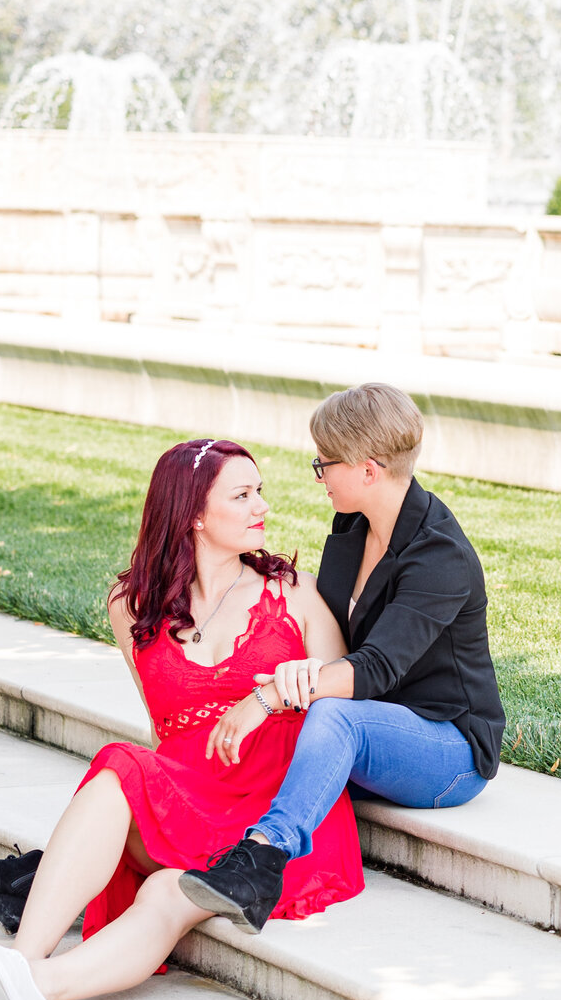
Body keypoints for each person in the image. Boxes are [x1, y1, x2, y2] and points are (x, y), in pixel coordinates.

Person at [0, 438, 363, 1000]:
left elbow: (350, 709)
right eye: (241, 495)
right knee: (122, 764)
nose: (261, 507)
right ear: (192, 512)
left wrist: (294, 687)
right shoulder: (132, 604)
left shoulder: (295, 594)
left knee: (170, 890)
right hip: (191, 793)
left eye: (259, 491)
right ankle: (25, 965)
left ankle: (29, 982)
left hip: (278, 812)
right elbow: (163, 725)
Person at [178, 382, 502, 932]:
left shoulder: (440, 556)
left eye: (325, 463)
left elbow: (373, 669)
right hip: (364, 716)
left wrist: (271, 695)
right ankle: (89, 869)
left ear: (368, 469)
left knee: (328, 714)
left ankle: (262, 860)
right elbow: (329, 632)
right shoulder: (353, 525)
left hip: (446, 747)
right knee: (256, 742)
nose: (319, 475)